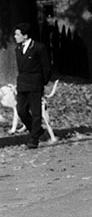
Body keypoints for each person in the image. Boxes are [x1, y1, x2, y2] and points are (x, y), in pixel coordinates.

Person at [13, 22, 52, 150]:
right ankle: (36, 130)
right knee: (21, 110)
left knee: (36, 112)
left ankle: (34, 139)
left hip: (35, 83)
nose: (15, 36)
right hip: (22, 84)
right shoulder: (17, 49)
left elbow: (46, 67)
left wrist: (43, 83)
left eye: (17, 34)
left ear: (25, 36)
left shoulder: (39, 48)